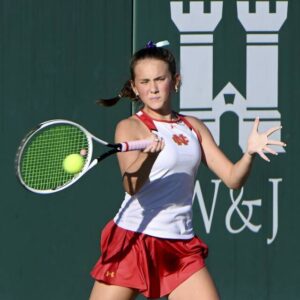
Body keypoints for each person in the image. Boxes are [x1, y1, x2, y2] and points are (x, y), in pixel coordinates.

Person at [89, 41, 286, 300]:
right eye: (145, 82)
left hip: (180, 245)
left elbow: (232, 178)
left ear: (175, 81)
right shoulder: (129, 127)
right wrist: (149, 157)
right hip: (133, 238)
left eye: (160, 79)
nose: (153, 88)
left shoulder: (192, 126)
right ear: (135, 87)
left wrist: (248, 154)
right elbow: (131, 185)